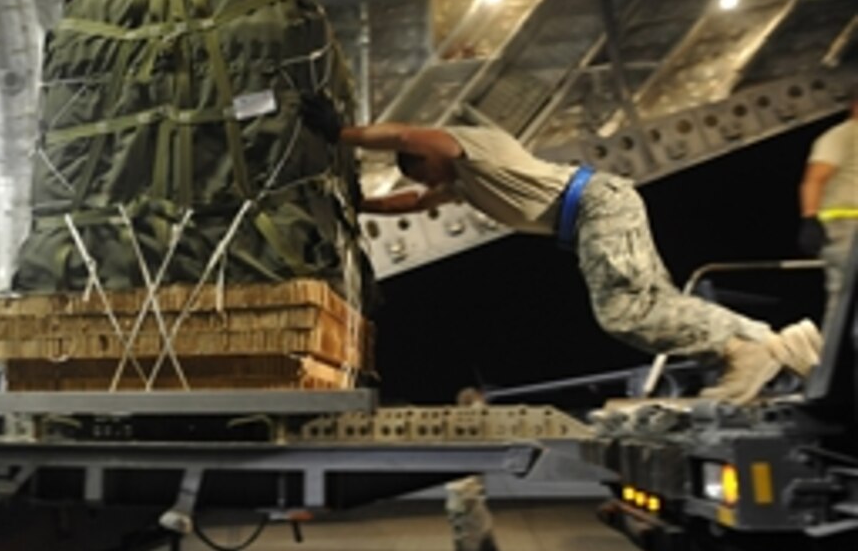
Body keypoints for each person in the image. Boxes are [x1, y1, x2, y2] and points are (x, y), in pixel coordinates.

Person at [301, 96, 822, 404]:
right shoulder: (460, 180)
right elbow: (414, 201)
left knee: (624, 310)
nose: (431, 181)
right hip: (600, 210)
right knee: (653, 305)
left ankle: (749, 349)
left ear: (428, 158)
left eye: (424, 167)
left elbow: (411, 135)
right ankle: (776, 342)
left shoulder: (465, 147)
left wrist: (341, 133)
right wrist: (363, 206)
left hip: (597, 207)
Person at [797, 84, 858, 327]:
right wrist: (810, 219)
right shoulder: (841, 135)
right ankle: (831, 357)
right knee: (843, 297)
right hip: (845, 228)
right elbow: (814, 178)